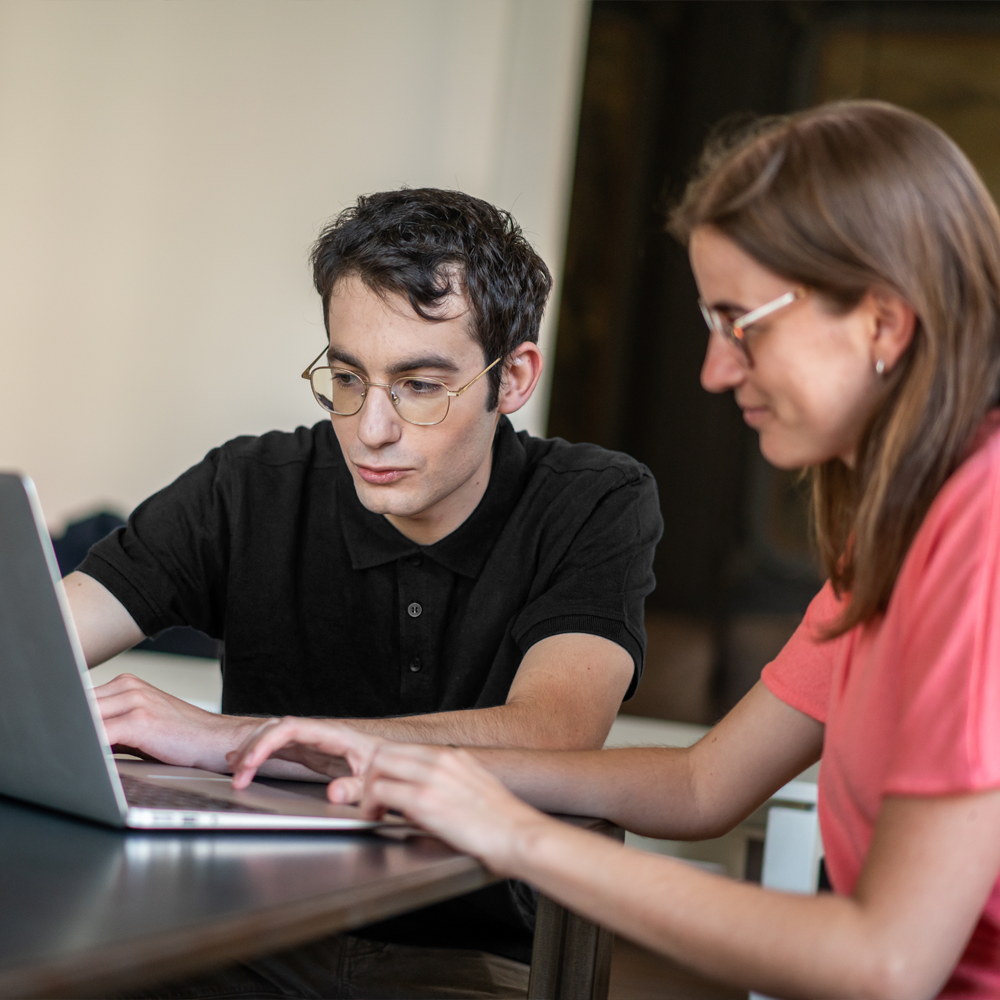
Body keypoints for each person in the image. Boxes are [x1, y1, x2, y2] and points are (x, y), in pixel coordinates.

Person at [229, 102, 1000, 998]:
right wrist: (376, 757)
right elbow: (703, 783)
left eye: (742, 323)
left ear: (883, 323)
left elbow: (888, 963)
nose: (714, 371)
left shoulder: (981, 529)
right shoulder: (894, 538)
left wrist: (517, 836)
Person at [62, 188, 663, 998]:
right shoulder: (249, 485)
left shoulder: (593, 499)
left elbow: (553, 732)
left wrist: (237, 738)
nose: (370, 428)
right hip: (238, 936)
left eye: (419, 385)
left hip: (467, 960)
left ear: (513, 378)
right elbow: (42, 643)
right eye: (347, 376)